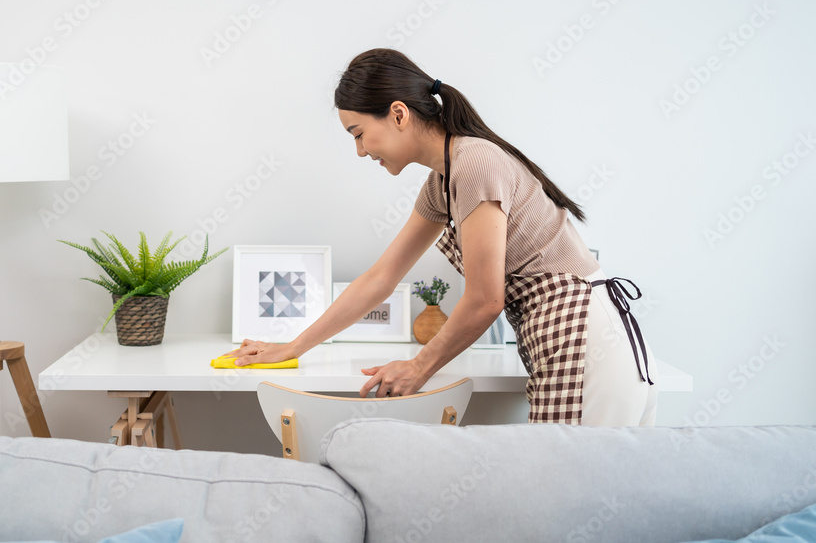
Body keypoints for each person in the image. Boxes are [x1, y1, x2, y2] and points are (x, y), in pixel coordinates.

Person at [223, 48, 657, 426]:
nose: (360, 151)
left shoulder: (474, 163)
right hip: (575, 343)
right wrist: (293, 346)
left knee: (574, 509)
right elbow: (381, 278)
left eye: (358, 134)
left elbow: (486, 299)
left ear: (397, 114)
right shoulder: (443, 180)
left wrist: (418, 366)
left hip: (587, 345)